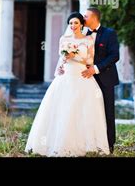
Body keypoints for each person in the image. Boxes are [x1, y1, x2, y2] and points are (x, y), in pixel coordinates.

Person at [25, 12, 110, 156]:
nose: (73, 26)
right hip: (67, 76)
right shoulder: (63, 39)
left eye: (76, 23)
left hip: (82, 75)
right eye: (70, 23)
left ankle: (87, 144)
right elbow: (62, 58)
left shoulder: (89, 40)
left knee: (84, 107)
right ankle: (59, 144)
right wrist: (61, 65)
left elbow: (89, 61)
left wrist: (75, 56)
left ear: (81, 24)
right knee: (63, 107)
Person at [82, 7, 120, 154]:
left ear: (94, 17)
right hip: (85, 79)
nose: (83, 18)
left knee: (107, 112)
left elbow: (114, 56)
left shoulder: (109, 34)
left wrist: (96, 68)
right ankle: (89, 143)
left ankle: (109, 145)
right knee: (87, 111)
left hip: (105, 79)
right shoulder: (81, 33)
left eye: (85, 16)